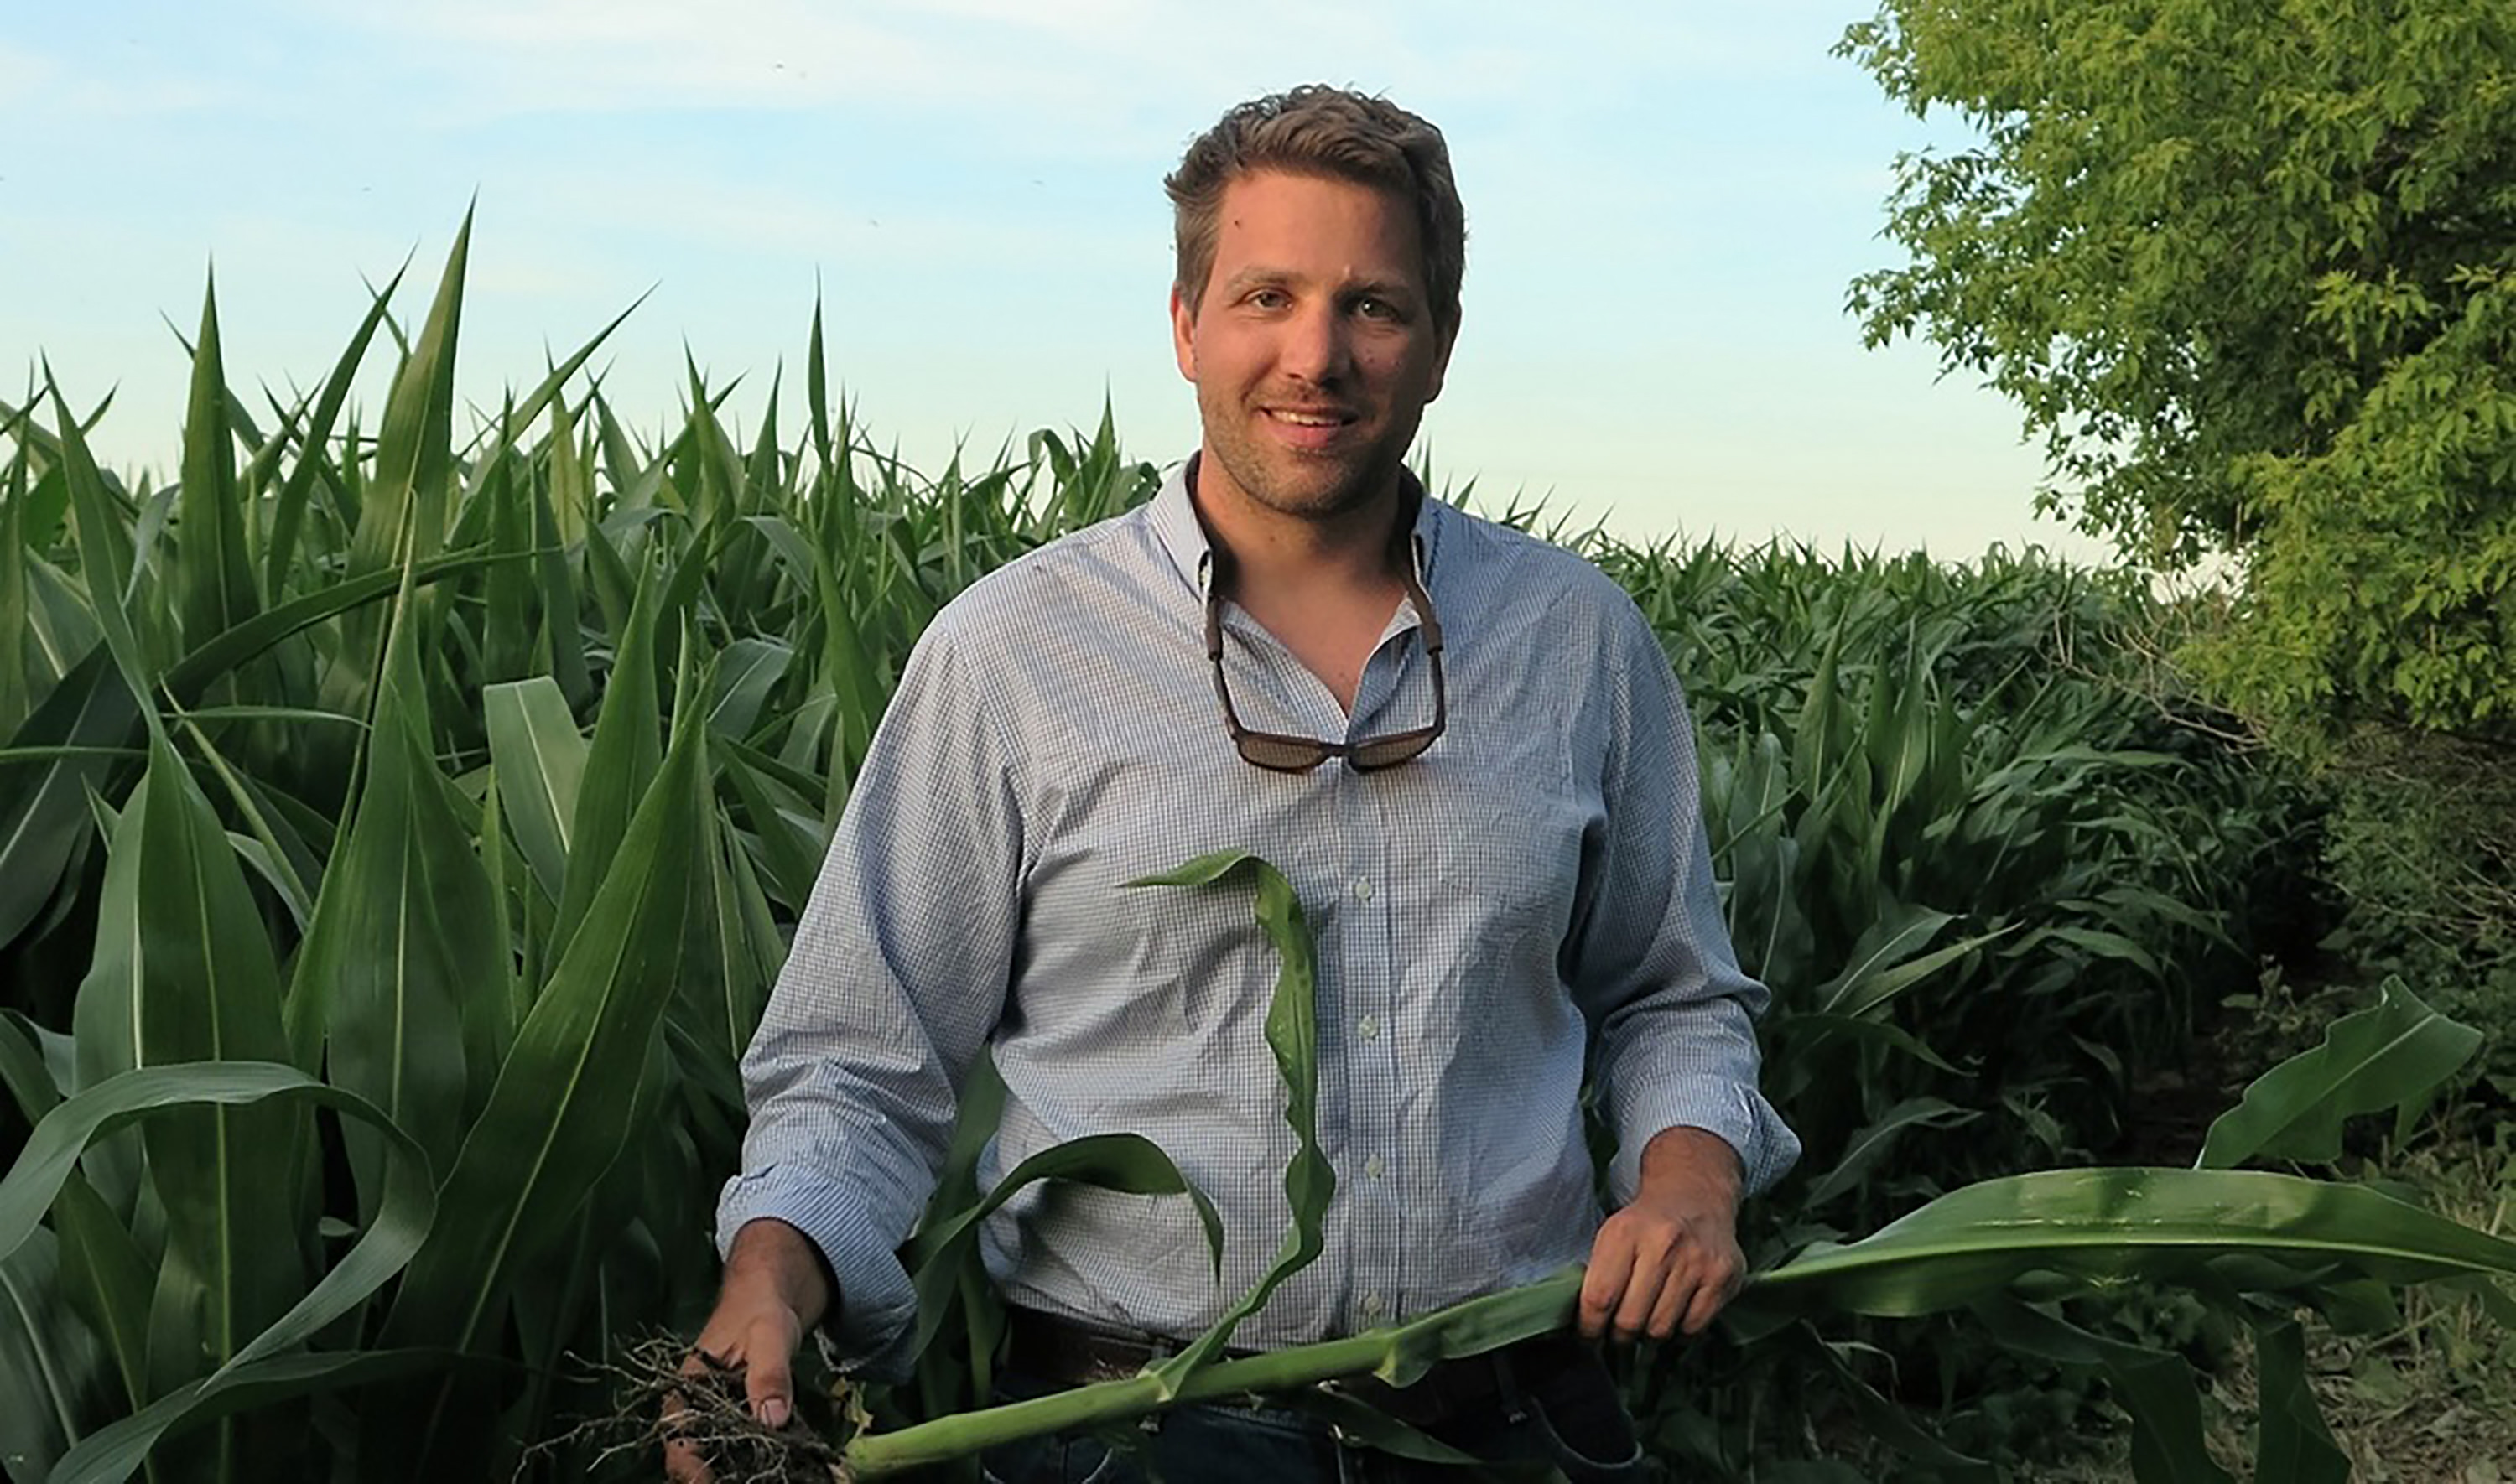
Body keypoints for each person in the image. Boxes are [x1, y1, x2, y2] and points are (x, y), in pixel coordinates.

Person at [669, 85, 1800, 1483]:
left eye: (1374, 306)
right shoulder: (1016, 652)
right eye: (1266, 294)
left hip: (1520, 1414)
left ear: (1441, 343)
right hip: (1123, 1434)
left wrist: (1691, 1179)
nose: (1315, 355)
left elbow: (1669, 992)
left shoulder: (1577, 641)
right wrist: (773, 1275)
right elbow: (858, 1058)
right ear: (1186, 322)